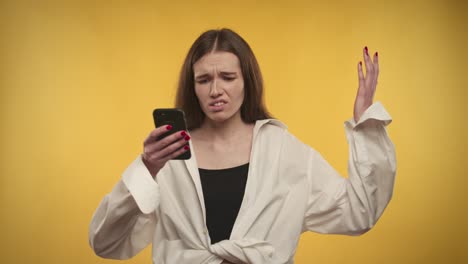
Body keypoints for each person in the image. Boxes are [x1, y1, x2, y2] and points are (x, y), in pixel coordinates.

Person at [89, 28, 396, 264]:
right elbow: (106, 242)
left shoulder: (282, 151)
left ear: (246, 81)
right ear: (192, 86)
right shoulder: (169, 156)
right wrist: (146, 169)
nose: (215, 90)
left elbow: (359, 212)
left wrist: (366, 125)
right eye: (203, 79)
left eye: (227, 77)